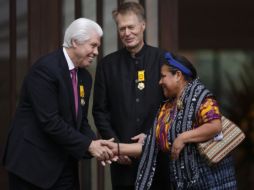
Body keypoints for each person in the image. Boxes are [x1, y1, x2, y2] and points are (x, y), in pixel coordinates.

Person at [2, 18, 114, 190]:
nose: (96, 52)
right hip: (31, 166)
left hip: (63, 164)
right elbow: (50, 121)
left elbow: (80, 121)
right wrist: (89, 145)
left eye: (97, 46)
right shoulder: (45, 70)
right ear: (75, 42)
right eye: (93, 45)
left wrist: (98, 145)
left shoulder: (84, 76)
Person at [103, 52, 238, 190]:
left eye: (163, 76)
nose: (160, 81)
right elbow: (150, 147)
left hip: (213, 182)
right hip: (184, 184)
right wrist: (117, 148)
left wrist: (183, 137)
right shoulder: (167, 107)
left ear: (178, 75)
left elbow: (215, 126)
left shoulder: (201, 98)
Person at [92, 2, 170, 190]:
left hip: (158, 159)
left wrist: (154, 135)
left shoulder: (163, 60)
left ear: (143, 25)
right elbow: (100, 111)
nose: (127, 33)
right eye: (122, 28)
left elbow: (173, 105)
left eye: (131, 27)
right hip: (123, 164)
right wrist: (116, 147)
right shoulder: (107, 65)